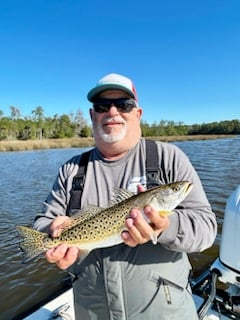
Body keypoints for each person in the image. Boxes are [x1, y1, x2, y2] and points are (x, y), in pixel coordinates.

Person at [34, 73, 217, 320]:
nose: (112, 112)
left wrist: (165, 227)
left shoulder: (169, 158)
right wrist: (50, 232)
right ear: (92, 115)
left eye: (123, 104)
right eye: (102, 106)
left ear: (137, 114)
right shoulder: (71, 170)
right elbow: (44, 220)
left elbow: (206, 229)